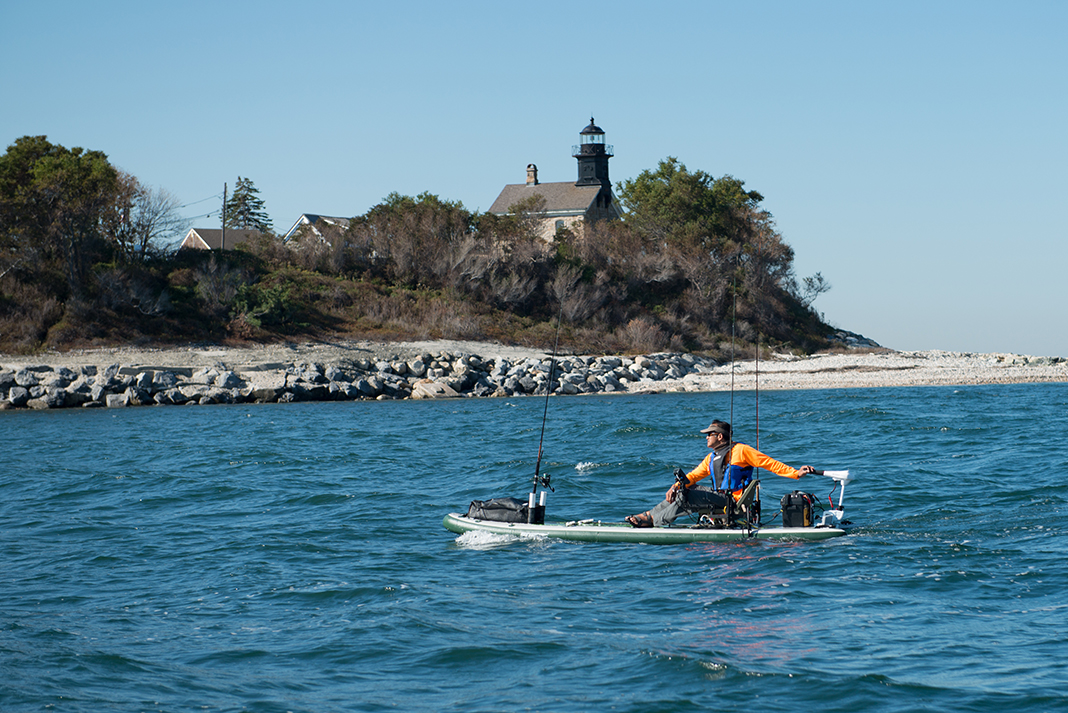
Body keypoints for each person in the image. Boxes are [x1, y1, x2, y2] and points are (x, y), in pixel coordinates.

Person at [625, 420, 814, 527]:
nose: (706, 437)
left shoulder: (742, 451)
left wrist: (796, 473)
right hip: (717, 497)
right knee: (681, 489)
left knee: (685, 494)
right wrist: (676, 485)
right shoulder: (711, 457)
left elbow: (769, 463)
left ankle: (652, 523)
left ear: (720, 436)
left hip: (732, 502)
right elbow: (694, 476)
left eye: (709, 434)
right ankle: (649, 515)